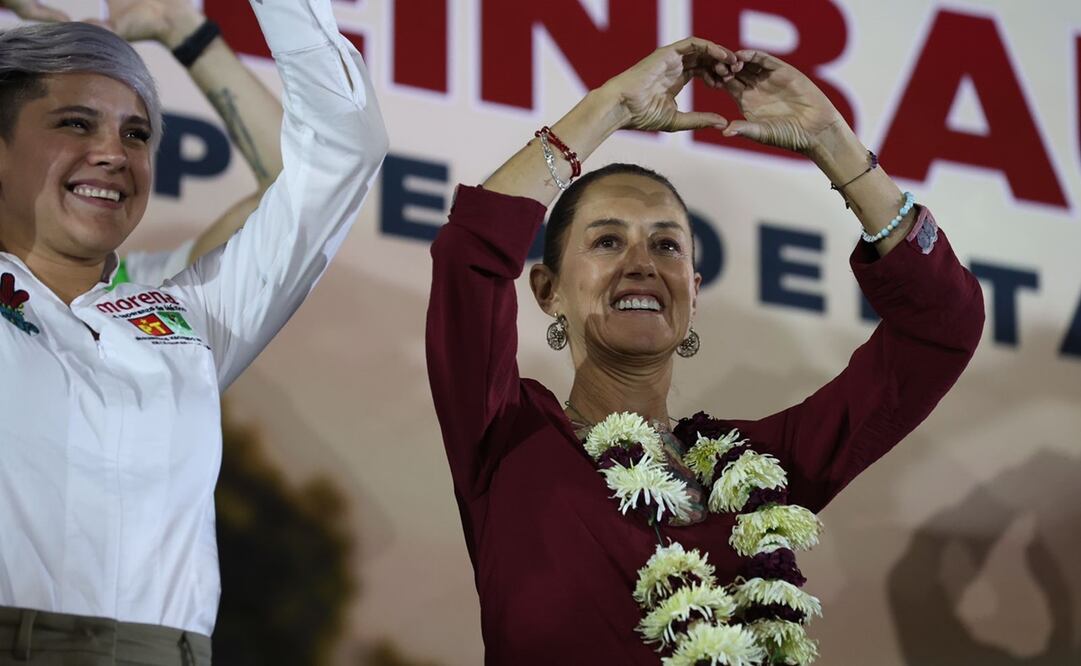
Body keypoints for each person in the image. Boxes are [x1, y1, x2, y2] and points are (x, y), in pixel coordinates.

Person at [426, 38, 984, 664]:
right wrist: (609, 107)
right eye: (608, 241)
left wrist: (833, 142)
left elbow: (942, 328)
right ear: (548, 290)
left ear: (693, 292)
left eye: (667, 246)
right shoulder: (506, 435)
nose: (641, 265)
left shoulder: (759, 471)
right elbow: (469, 254)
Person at [0, 0, 387, 663]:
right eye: (75, 123)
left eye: (137, 135)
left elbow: (339, 154)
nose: (113, 155)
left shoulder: (187, 316)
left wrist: (202, 28)